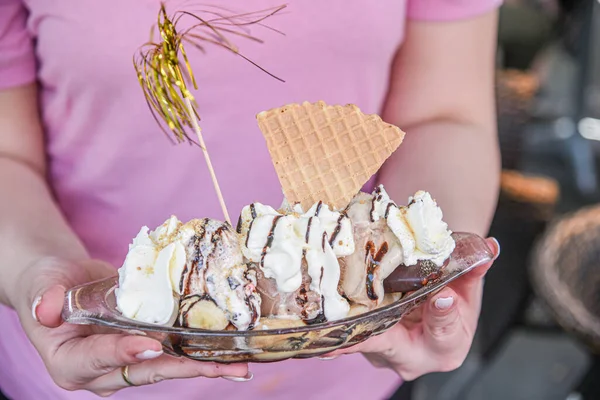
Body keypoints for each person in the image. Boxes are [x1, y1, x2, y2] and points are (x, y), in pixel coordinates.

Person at [0, 0, 502, 398]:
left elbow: (445, 114)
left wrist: (426, 265)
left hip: (356, 362)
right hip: (86, 364)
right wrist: (33, 270)